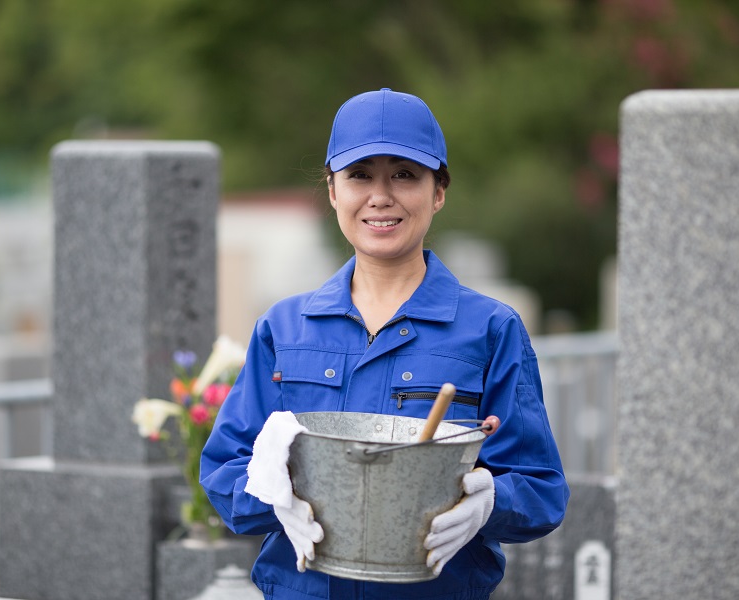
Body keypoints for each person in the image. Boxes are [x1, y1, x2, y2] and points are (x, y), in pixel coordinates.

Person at [200, 87, 569, 599]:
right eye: (359, 175)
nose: (380, 195)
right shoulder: (283, 328)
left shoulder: (490, 329)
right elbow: (225, 468)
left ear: (438, 191)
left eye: (404, 174)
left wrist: (489, 503)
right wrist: (271, 494)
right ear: (332, 191)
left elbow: (540, 488)